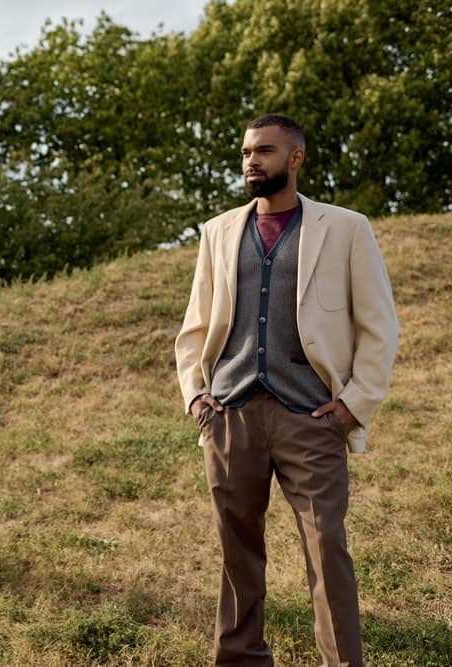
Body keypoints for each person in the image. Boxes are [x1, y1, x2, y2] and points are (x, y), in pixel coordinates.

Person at [175, 114, 398, 666]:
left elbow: (379, 326)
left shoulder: (345, 228)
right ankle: (241, 658)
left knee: (327, 550)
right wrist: (198, 397)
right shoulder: (219, 230)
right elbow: (196, 326)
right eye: (247, 152)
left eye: (265, 152)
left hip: (312, 416)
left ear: (294, 158)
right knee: (236, 553)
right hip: (231, 414)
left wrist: (352, 407)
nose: (252, 161)